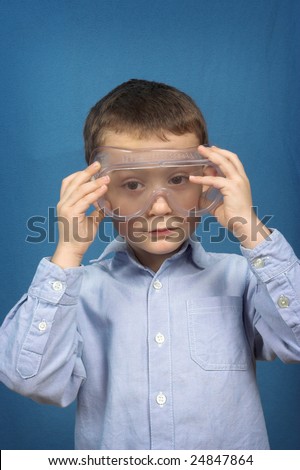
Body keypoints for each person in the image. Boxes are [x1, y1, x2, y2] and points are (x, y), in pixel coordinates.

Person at [0, 79, 299, 450]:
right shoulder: (77, 294)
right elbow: (30, 379)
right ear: (100, 192)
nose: (160, 206)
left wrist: (252, 232)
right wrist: (67, 256)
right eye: (133, 185)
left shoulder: (240, 278)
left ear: (207, 180)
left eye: (177, 179)